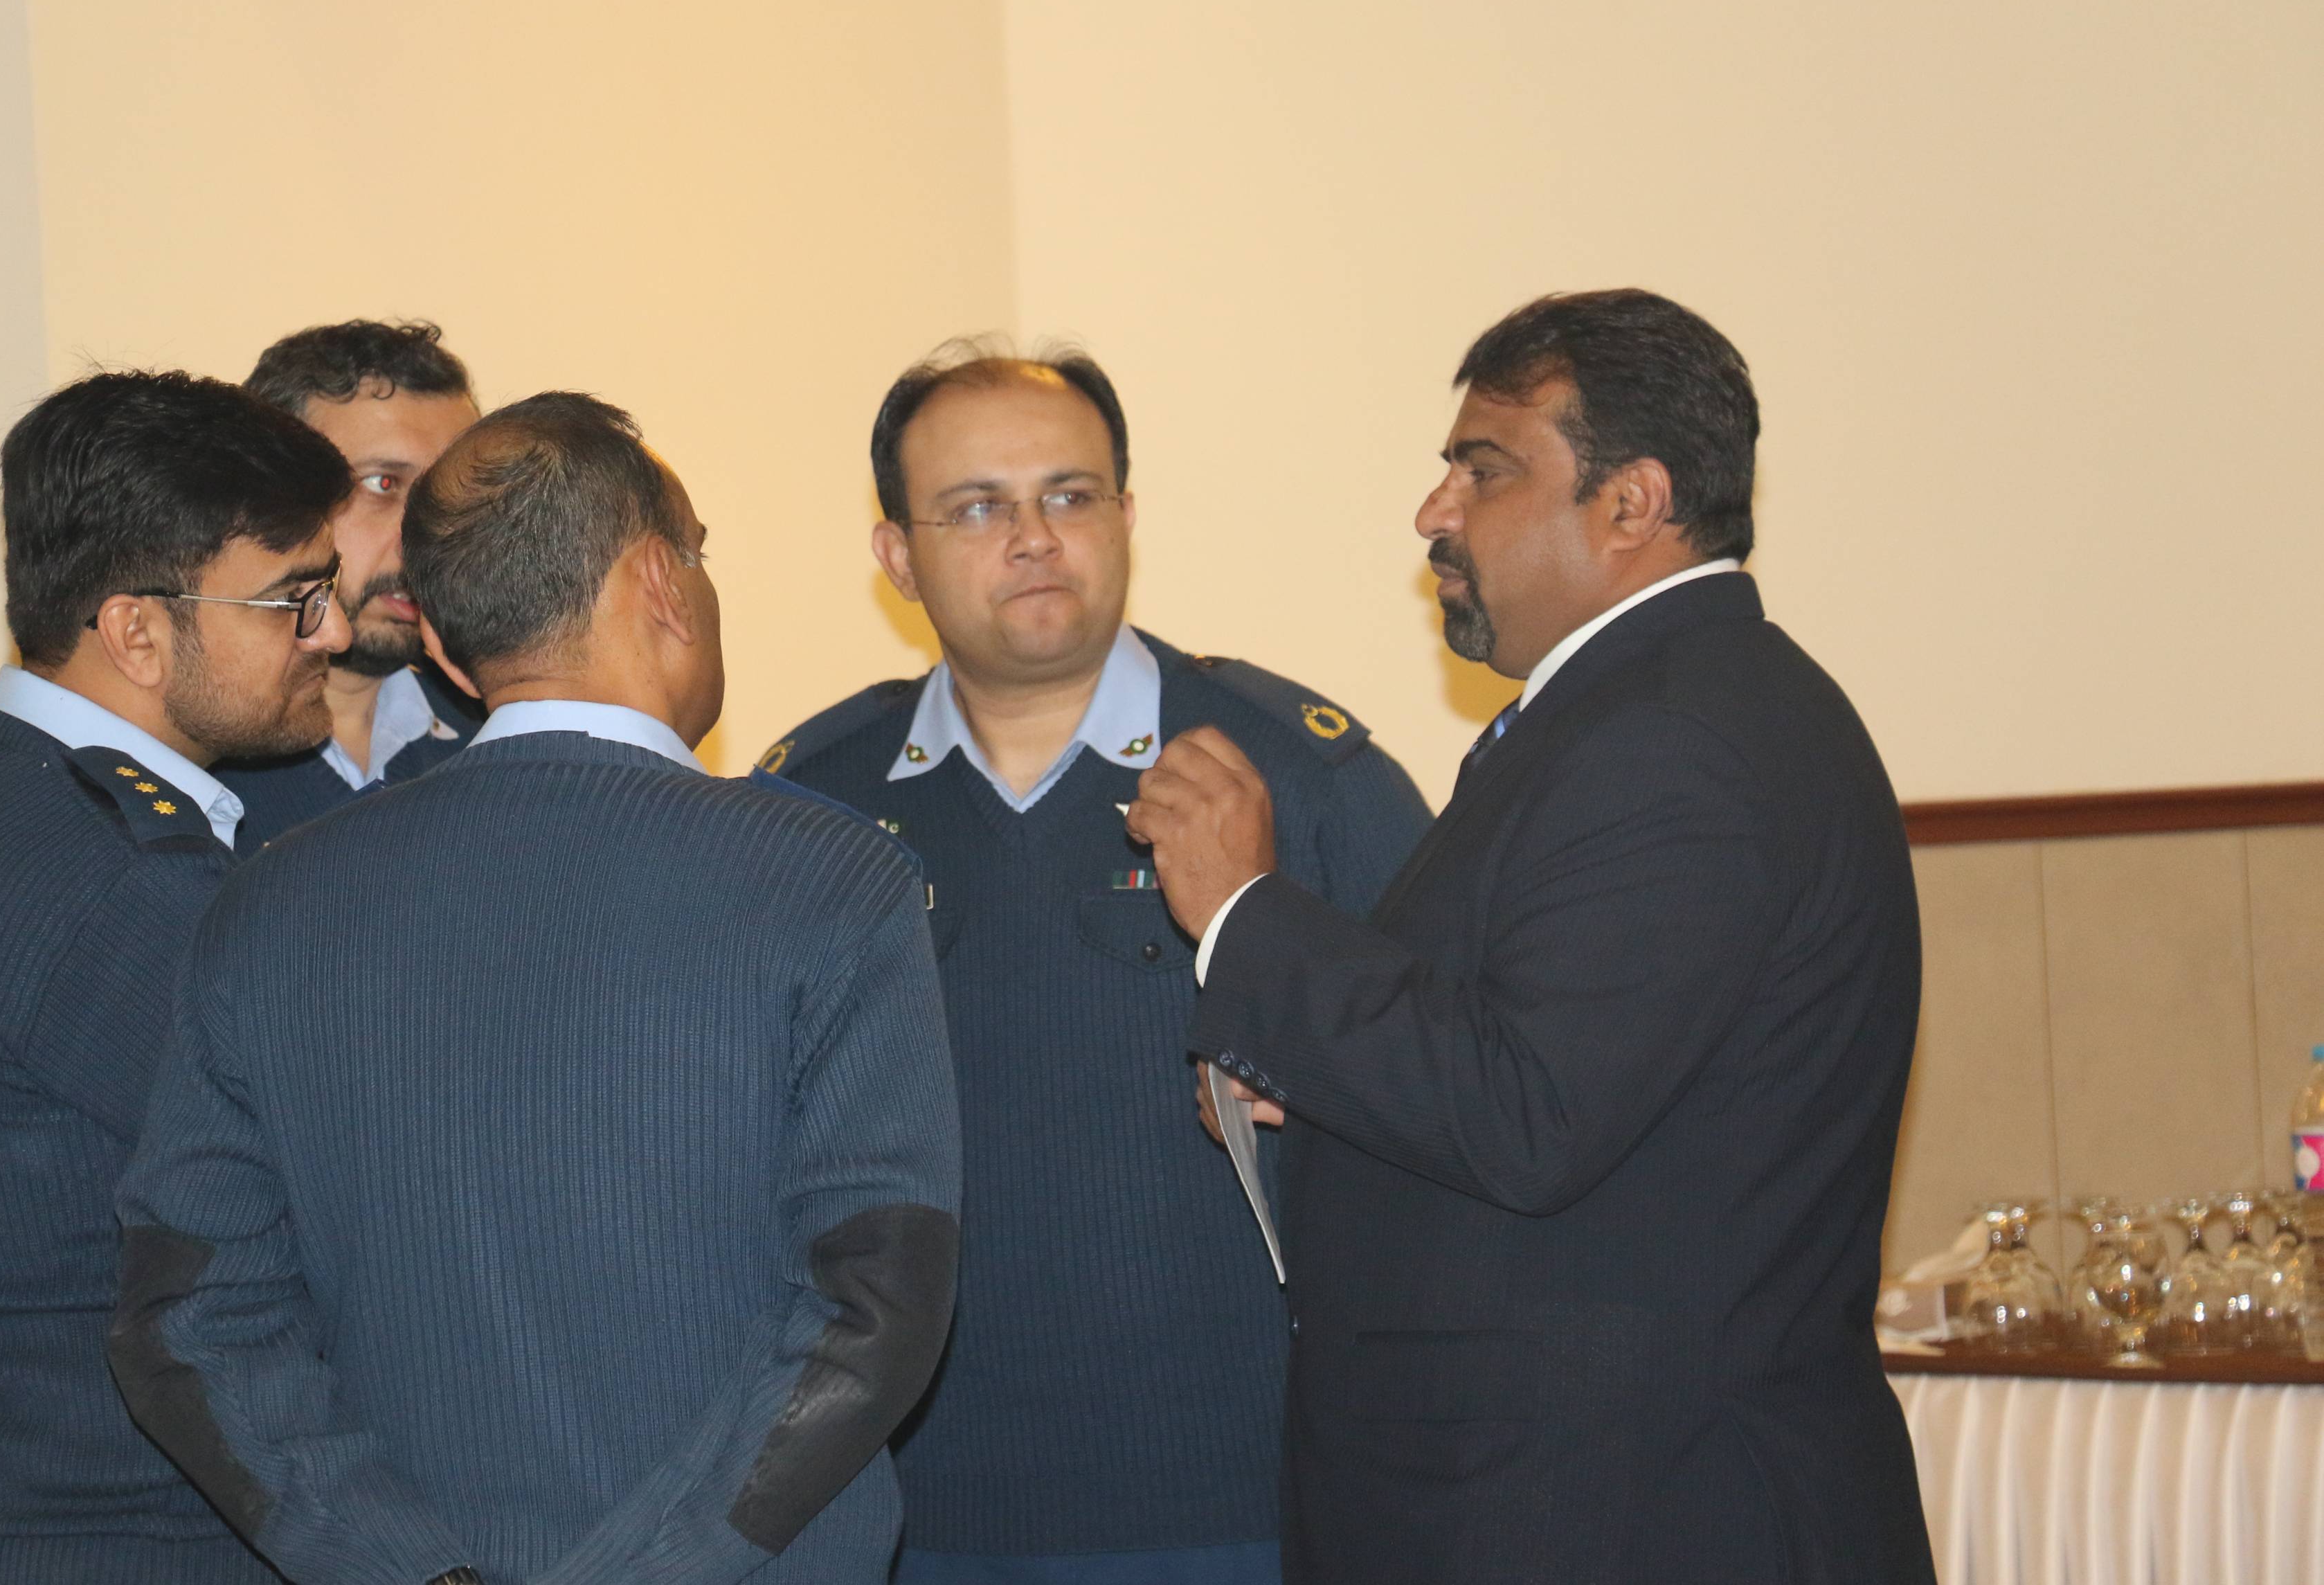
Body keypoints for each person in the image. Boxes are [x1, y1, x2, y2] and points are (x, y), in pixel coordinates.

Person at [1128, 290, 1934, 1584]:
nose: (1433, 511)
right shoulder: (1646, 714)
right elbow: (1561, 1066)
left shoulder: (1670, 741)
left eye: (1483, 468)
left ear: (1632, 503)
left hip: (1632, 1516)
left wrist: (1242, 911)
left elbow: (1527, 1113)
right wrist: (1317, 1089)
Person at [111, 393, 963, 1585]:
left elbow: (193, 1319)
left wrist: (411, 1567)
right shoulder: (832, 878)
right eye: (699, 552)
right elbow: (874, 1301)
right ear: (662, 581)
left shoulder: (270, 902)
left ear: (449, 654)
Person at [766, 341, 1431, 1582]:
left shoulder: (1302, 776)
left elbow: (1450, 1105)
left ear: (1126, 516)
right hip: (906, 1507)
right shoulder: (813, 803)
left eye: (1069, 495)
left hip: (1242, 1491)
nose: (1034, 538)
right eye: (978, 507)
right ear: (897, 557)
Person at [0, 371, 354, 1583]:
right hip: (147, 1541)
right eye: (292, 601)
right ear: (137, 631)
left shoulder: (47, 806)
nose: (334, 634)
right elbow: (362, 1187)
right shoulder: (100, 870)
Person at [223, 319, 484, 848]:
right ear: (267, 498)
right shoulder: (196, 748)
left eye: (455, 492)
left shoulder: (495, 739)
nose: (427, 536)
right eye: (383, 483)